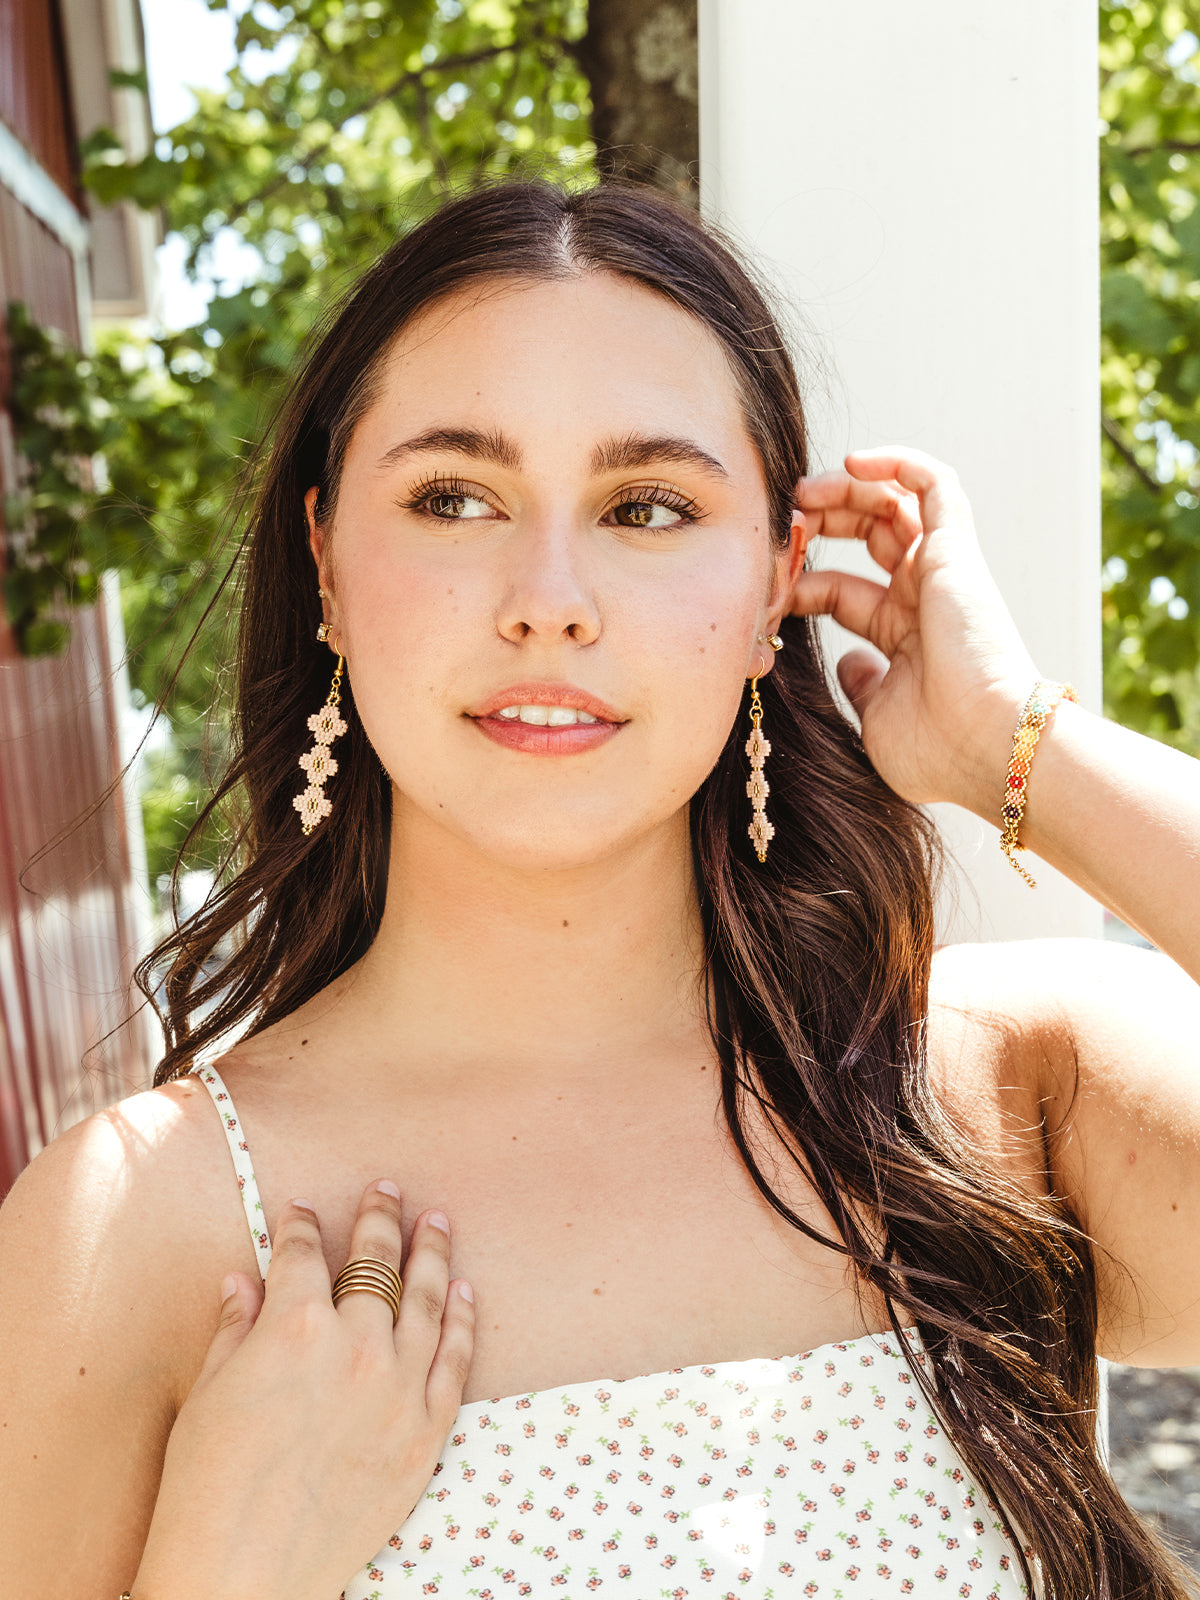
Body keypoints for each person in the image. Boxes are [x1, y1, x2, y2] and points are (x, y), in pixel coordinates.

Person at [1, 179, 1199, 1600]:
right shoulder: (138, 1228)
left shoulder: (997, 1090)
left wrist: (1020, 742)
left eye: (646, 506)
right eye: (455, 497)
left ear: (771, 591)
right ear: (325, 565)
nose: (550, 596)